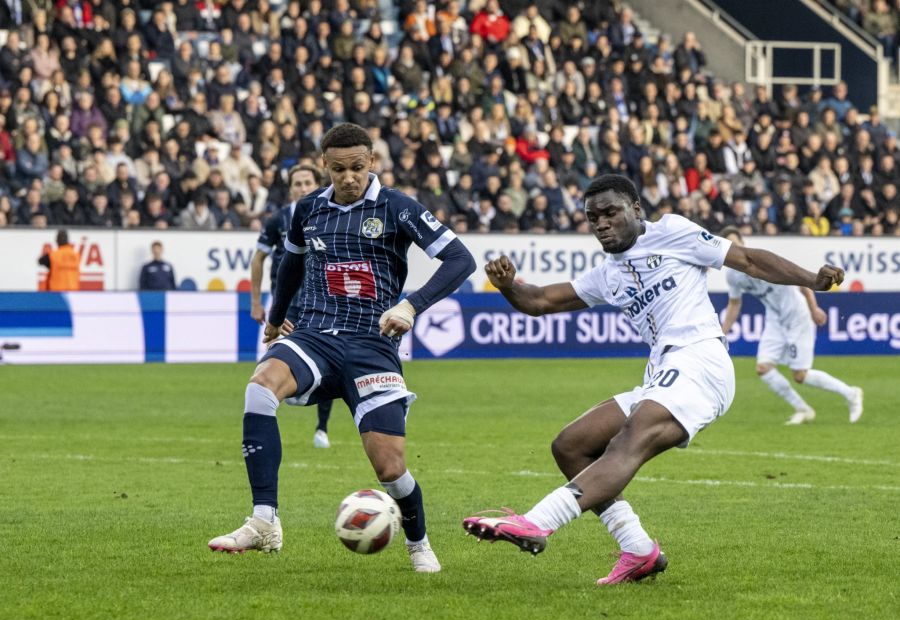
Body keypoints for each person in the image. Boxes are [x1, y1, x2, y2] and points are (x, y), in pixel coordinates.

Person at [461, 175, 845, 585]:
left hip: (702, 361)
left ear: (636, 209)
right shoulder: (607, 275)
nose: (601, 223)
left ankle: (537, 522)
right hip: (662, 375)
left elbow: (749, 260)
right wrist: (507, 287)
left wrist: (811, 279)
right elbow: (538, 300)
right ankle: (638, 550)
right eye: (593, 218)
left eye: (610, 212)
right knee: (571, 446)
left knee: (631, 437)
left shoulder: (673, 233)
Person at [208, 123, 476, 573]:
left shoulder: (397, 207)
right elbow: (289, 268)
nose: (348, 177)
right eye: (338, 169)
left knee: (390, 469)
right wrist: (275, 323)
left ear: (372, 161)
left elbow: (461, 259)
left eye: (356, 167)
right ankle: (264, 520)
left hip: (372, 344)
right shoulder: (307, 210)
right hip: (315, 333)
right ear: (325, 167)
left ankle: (418, 542)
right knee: (260, 387)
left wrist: (411, 306)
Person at [719, 227, 862, 424]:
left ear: (743, 242)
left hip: (797, 315)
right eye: (731, 245)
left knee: (800, 375)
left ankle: (850, 393)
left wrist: (813, 308)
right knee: (763, 368)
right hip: (774, 319)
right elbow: (734, 303)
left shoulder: (761, 261)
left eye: (737, 243)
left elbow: (801, 282)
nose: (735, 247)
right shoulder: (733, 276)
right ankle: (803, 409)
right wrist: (721, 334)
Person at [250, 163, 335, 449]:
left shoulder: (330, 214)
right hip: (287, 305)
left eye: (307, 182)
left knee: (328, 361)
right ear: (290, 189)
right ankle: (271, 414)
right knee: (274, 363)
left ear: (317, 184)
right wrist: (256, 302)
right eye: (297, 184)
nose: (302, 188)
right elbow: (258, 259)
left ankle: (322, 427)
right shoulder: (277, 220)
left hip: (322, 302)